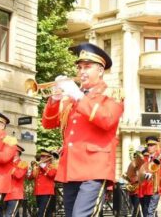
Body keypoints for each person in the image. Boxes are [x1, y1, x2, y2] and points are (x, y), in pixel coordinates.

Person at [41, 42, 124, 217]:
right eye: (79, 67)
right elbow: (48, 124)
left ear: (100, 70)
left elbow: (106, 120)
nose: (81, 72)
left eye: (87, 67)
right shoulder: (72, 98)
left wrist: (78, 96)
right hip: (70, 168)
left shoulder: (112, 94)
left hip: (95, 168)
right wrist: (55, 99)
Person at [31, 149, 58, 217]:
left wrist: (43, 166)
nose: (41, 158)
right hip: (38, 192)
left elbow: (51, 174)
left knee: (41, 213)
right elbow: (31, 177)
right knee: (46, 213)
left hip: (47, 192)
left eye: (44, 156)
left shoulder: (53, 166)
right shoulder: (39, 166)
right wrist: (33, 169)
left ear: (48, 158)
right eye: (41, 156)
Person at [138, 136, 160, 217]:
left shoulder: (159, 156)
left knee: (150, 212)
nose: (149, 147)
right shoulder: (147, 159)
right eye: (148, 145)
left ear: (156, 145)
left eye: (152, 145)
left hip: (155, 188)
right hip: (147, 189)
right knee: (146, 212)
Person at [4, 145, 28, 217]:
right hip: (4, 192)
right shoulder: (7, 163)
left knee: (10, 214)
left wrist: (10, 166)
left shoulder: (23, 163)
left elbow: (18, 175)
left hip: (14, 193)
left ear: (17, 152)